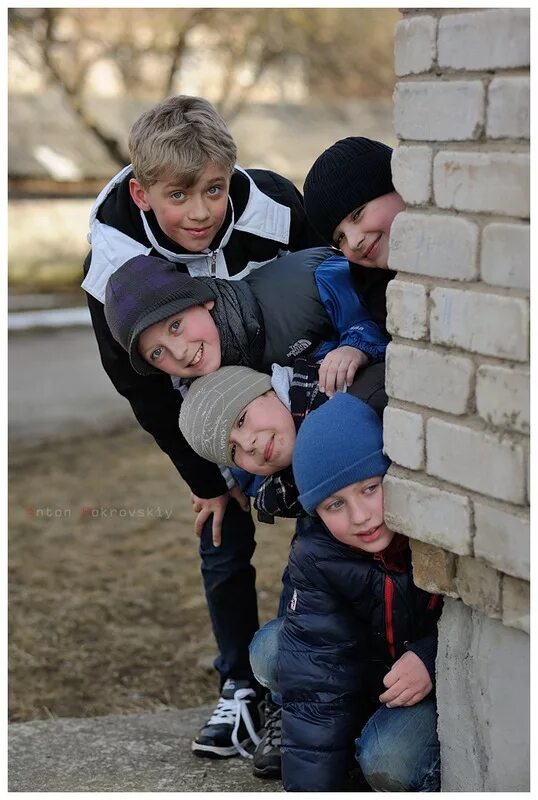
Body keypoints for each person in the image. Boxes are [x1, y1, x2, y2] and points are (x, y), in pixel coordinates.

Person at [81, 94, 325, 762]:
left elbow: (323, 286)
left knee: (322, 511)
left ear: (232, 177)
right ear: (142, 191)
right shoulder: (111, 262)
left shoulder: (273, 207)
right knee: (220, 523)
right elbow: (140, 388)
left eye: (214, 190)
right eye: (178, 195)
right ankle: (239, 683)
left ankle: (313, 670)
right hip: (192, 388)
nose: (199, 212)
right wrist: (207, 478)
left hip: (279, 362)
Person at [249, 393, 442, 791]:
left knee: (389, 762)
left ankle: (369, 738)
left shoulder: (435, 531)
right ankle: (352, 729)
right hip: (368, 674)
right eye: (334, 504)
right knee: (274, 650)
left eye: (370, 488)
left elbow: (475, 617)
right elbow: (315, 679)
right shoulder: (317, 556)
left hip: (431, 673)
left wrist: (431, 656)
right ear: (315, 514)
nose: (360, 517)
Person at [103, 248, 388, 393]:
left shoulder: (311, 282)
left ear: (203, 300)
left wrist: (356, 347)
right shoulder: (206, 390)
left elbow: (389, 313)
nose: (179, 354)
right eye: (157, 353)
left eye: (175, 326)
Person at [178, 360, 386, 521]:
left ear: (269, 391)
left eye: (241, 420)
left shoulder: (356, 396)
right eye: (233, 451)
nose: (247, 444)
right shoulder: (283, 493)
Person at [302, 136, 405, 335]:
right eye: (340, 238)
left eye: (357, 214)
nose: (355, 241)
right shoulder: (370, 298)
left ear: (398, 187)